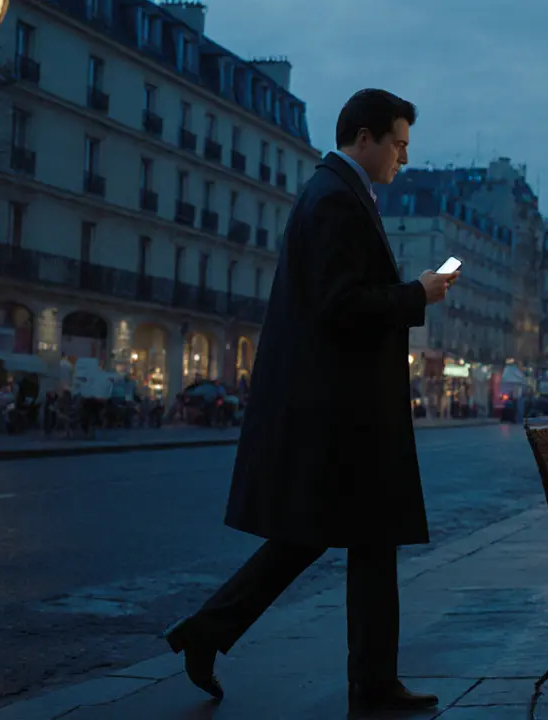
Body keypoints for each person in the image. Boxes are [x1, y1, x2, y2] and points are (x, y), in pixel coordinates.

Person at [162, 89, 458, 714]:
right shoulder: (334, 200)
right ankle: (364, 679)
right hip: (340, 412)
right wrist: (418, 294)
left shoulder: (340, 194)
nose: (404, 157)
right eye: (399, 144)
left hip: (342, 408)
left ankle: (224, 636)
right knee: (350, 541)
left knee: (334, 540)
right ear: (365, 138)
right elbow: (342, 303)